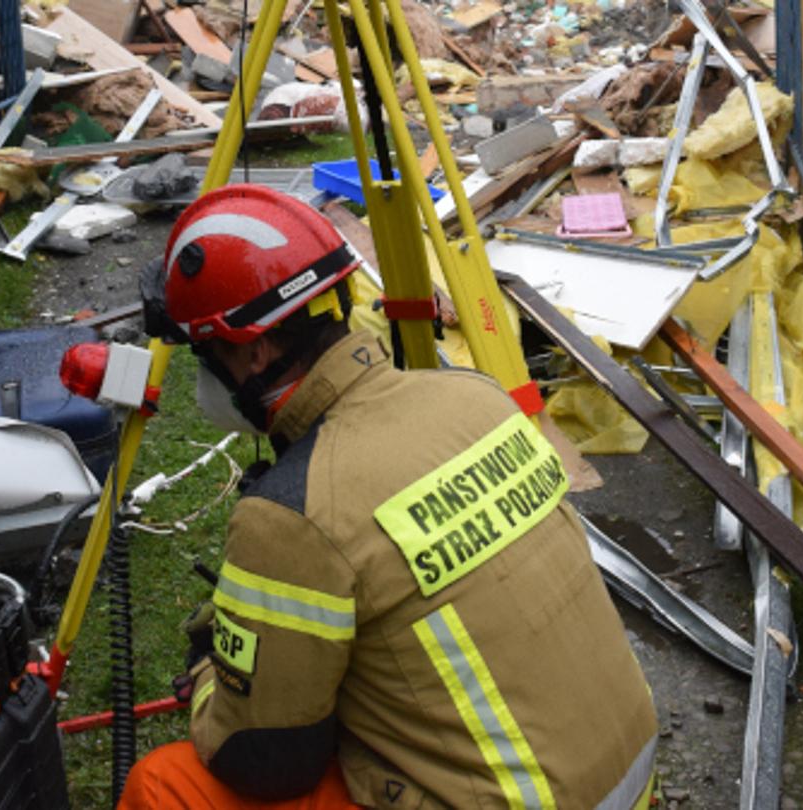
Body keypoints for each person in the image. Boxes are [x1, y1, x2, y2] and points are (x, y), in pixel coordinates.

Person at [119, 184, 658, 809]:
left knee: (165, 785)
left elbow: (265, 761)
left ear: (256, 349)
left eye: (207, 353)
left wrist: (214, 675)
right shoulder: (477, 397)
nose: (205, 377)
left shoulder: (294, 512)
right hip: (627, 785)